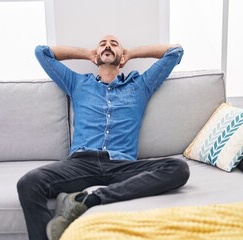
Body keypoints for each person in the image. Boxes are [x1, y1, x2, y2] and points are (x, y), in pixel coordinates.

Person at [17, 35, 190, 240]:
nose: (108, 45)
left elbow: (175, 52)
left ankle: (88, 201)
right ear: (97, 55)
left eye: (114, 44)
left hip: (121, 165)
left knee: (178, 169)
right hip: (81, 164)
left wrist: (131, 53)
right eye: (102, 44)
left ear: (121, 56)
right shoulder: (77, 83)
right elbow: (41, 53)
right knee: (28, 183)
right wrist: (87, 54)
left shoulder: (141, 85)